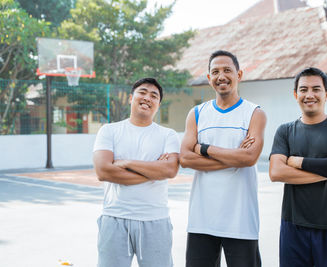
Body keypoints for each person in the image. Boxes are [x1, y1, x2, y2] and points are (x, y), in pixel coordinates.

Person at [180, 50, 267, 267]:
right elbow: (185, 158)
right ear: (209, 78)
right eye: (215, 71)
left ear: (239, 74)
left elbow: (249, 158)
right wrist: (234, 156)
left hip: (241, 220)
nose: (221, 76)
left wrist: (204, 148)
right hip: (202, 220)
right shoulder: (197, 113)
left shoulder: (254, 113)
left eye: (227, 70)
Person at [269, 67, 327, 267]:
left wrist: (298, 162)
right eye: (303, 90)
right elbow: (276, 172)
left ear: (326, 94)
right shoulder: (285, 131)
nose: (309, 95)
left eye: (316, 89)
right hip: (293, 226)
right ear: (295, 94)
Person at [93, 77, 180, 267]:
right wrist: (153, 170)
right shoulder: (109, 131)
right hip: (115, 218)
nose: (147, 98)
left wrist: (126, 163)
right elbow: (103, 171)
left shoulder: (168, 135)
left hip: (155, 220)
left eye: (154, 95)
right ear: (130, 98)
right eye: (142, 92)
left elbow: (170, 169)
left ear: (158, 104)